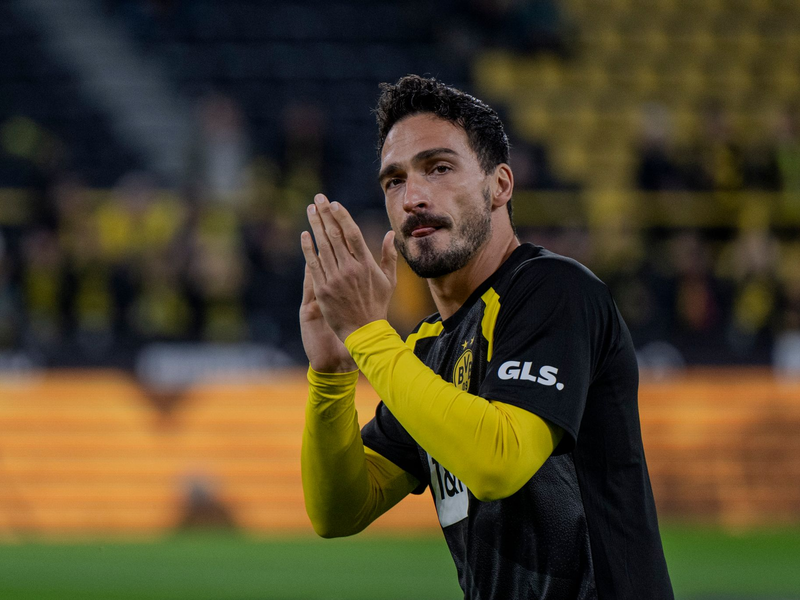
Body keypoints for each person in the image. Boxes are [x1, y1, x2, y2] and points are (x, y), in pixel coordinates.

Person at [299, 75, 674, 600]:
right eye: (394, 181)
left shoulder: (555, 291)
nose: (413, 197)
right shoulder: (425, 351)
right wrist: (333, 376)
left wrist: (369, 334)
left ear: (500, 185)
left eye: (439, 168)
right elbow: (337, 510)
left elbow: (499, 463)